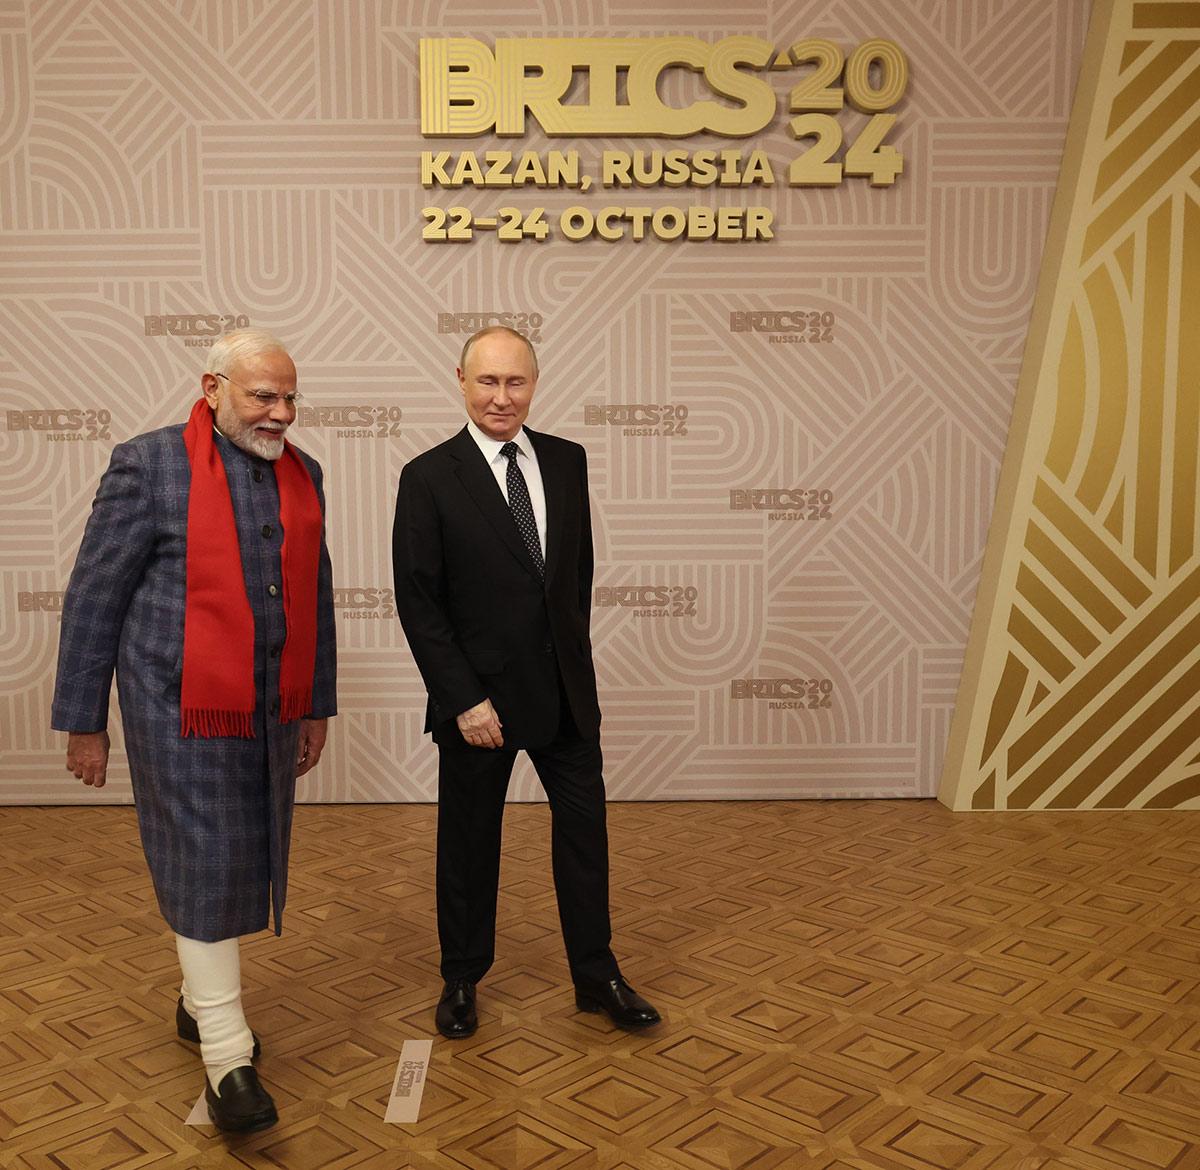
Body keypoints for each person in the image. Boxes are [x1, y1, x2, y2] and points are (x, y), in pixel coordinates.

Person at [51, 329, 337, 1134]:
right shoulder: (147, 467)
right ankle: (225, 1053)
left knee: (240, 854)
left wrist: (314, 704)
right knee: (204, 857)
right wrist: (84, 723)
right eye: (262, 396)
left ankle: (193, 998)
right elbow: (94, 598)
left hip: (271, 710)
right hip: (176, 708)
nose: (280, 413)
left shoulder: (304, 474)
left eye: (289, 397)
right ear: (212, 388)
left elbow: (314, 598)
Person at [392, 325, 660, 1039]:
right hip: (479, 702)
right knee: (470, 842)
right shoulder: (427, 477)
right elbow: (418, 602)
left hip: (567, 695)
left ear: (534, 385)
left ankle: (596, 974)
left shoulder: (568, 462)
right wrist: (465, 699)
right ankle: (460, 978)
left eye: (515, 383)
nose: (501, 397)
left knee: (585, 835)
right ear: (460, 380)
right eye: (487, 381)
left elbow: (573, 580)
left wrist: (576, 669)